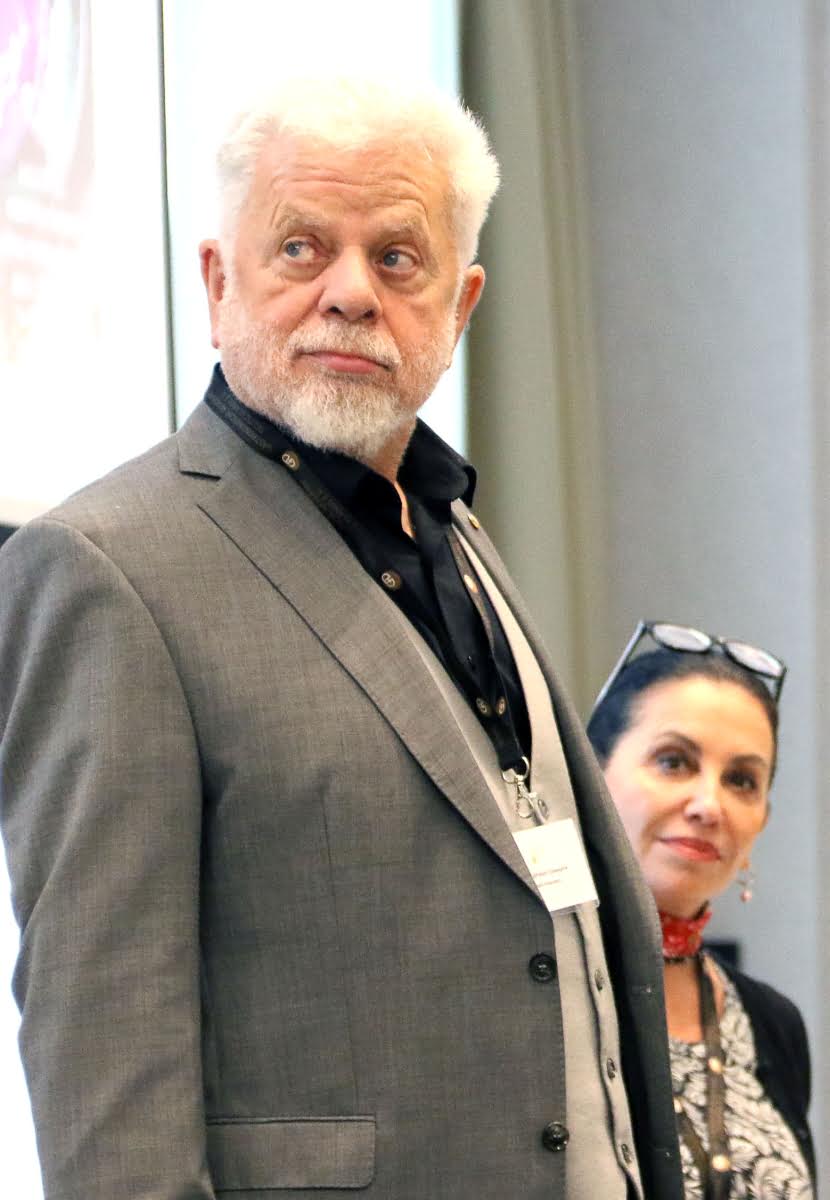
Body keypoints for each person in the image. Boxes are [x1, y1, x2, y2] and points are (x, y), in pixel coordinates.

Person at [0, 77, 683, 1199]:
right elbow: (104, 1050)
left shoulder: (452, 528)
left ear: (460, 307)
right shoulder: (105, 569)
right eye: (301, 248)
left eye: (398, 259)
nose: (352, 294)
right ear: (218, 282)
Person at [587, 621, 815, 1199]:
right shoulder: (528, 987)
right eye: (674, 761)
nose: (709, 805)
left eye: (742, 780)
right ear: (589, 775)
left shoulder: (772, 1024)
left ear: (762, 820)